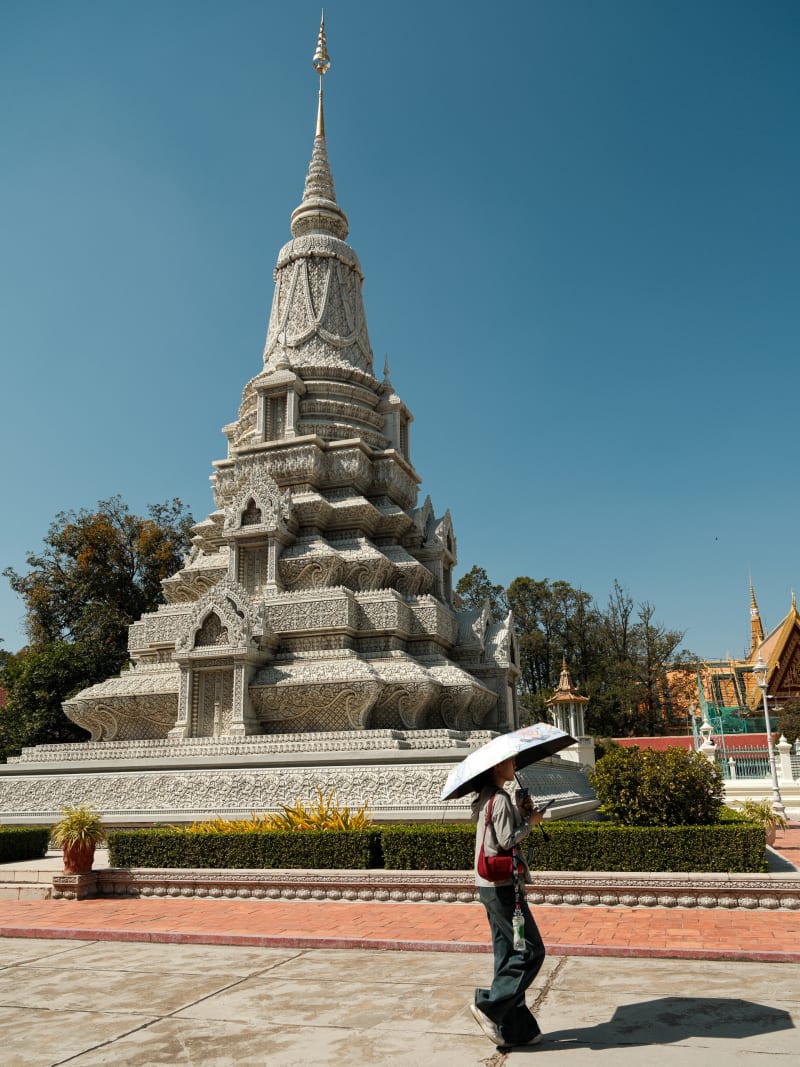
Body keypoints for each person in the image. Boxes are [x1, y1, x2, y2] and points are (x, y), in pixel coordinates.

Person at [469, 755, 547, 1047]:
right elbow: (506, 840)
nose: (515, 766)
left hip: (488, 886)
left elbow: (497, 834)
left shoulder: (488, 797)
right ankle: (488, 1005)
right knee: (530, 951)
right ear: (497, 767)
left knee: (507, 954)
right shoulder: (498, 798)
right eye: (511, 762)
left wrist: (521, 812)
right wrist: (532, 822)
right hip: (503, 888)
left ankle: (517, 1028)